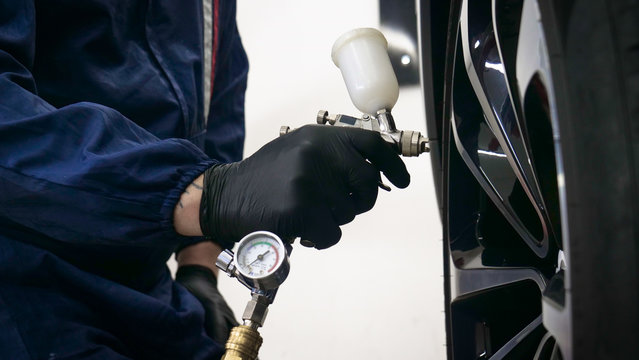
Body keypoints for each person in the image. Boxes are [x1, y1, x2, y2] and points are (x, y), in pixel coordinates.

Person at [0, 0, 410, 359]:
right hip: (24, 273)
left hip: (142, 279)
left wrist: (201, 266)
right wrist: (210, 195)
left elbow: (217, 107)